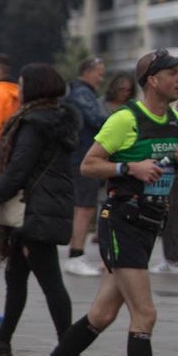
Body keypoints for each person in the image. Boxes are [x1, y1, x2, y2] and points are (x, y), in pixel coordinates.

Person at [23, 49, 178, 356]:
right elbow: (89, 164)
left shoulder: (175, 122)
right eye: (172, 73)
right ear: (153, 80)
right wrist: (127, 166)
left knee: (102, 315)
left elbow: (164, 170)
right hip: (122, 223)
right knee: (145, 314)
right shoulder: (125, 119)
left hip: (149, 224)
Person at [0, 64, 80, 356]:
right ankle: (2, 341)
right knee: (16, 278)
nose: (18, 91)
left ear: (35, 88)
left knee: (50, 281)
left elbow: (18, 171)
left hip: (33, 212)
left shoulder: (33, 123)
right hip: (44, 208)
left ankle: (70, 350)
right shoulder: (58, 121)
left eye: (21, 85)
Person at [63, 56, 108, 277]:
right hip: (83, 156)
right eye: (99, 72)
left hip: (78, 155)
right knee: (85, 206)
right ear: (87, 71)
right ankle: (76, 254)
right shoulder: (82, 94)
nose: (101, 77)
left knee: (83, 205)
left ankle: (76, 252)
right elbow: (99, 120)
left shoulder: (77, 92)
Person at [151, 95, 178, 274]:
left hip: (172, 162)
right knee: (170, 209)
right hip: (167, 162)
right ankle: (173, 257)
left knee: (172, 209)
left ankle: (174, 258)